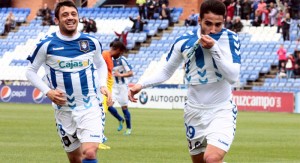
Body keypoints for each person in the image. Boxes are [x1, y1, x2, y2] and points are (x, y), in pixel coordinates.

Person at [129, 0, 240, 162]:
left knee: (212, 158)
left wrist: (214, 49)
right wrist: (140, 84)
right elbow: (166, 71)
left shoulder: (230, 39)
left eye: (218, 24)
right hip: (193, 112)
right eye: (208, 24)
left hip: (221, 110)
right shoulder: (183, 42)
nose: (213, 29)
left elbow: (233, 77)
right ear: (199, 20)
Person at [25, 1, 111, 163]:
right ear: (57, 20)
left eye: (73, 14)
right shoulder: (46, 45)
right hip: (64, 111)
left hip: (90, 106)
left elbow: (100, 65)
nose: (70, 18)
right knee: (75, 159)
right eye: (65, 15)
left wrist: (102, 85)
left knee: (90, 152)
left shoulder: (91, 42)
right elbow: (30, 72)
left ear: (78, 17)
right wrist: (48, 92)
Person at [102, 40, 133, 136]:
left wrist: (120, 74)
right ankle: (120, 119)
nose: (122, 53)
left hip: (122, 87)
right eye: (121, 51)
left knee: (124, 108)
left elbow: (131, 73)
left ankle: (128, 128)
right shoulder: (107, 58)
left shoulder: (122, 60)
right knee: (108, 105)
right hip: (112, 87)